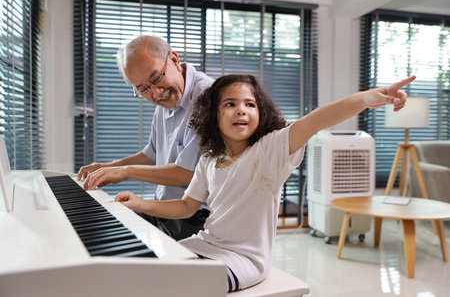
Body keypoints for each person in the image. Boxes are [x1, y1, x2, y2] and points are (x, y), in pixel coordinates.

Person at [114, 74, 416, 292]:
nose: (241, 110)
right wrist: (140, 204)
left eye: (250, 104)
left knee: (180, 287)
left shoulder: (272, 149)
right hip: (204, 244)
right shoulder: (208, 160)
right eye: (230, 104)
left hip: (244, 260)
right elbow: (185, 206)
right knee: (147, 276)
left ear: (261, 113)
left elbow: (316, 120)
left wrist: (365, 99)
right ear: (212, 115)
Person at [77, 35, 213, 240]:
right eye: (143, 89)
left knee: (120, 249)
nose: (156, 92)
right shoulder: (166, 99)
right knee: (100, 228)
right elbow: (152, 154)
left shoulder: (207, 97)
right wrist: (108, 166)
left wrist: (124, 172)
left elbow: (188, 173)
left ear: (174, 59)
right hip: (165, 209)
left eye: (157, 78)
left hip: (197, 218)